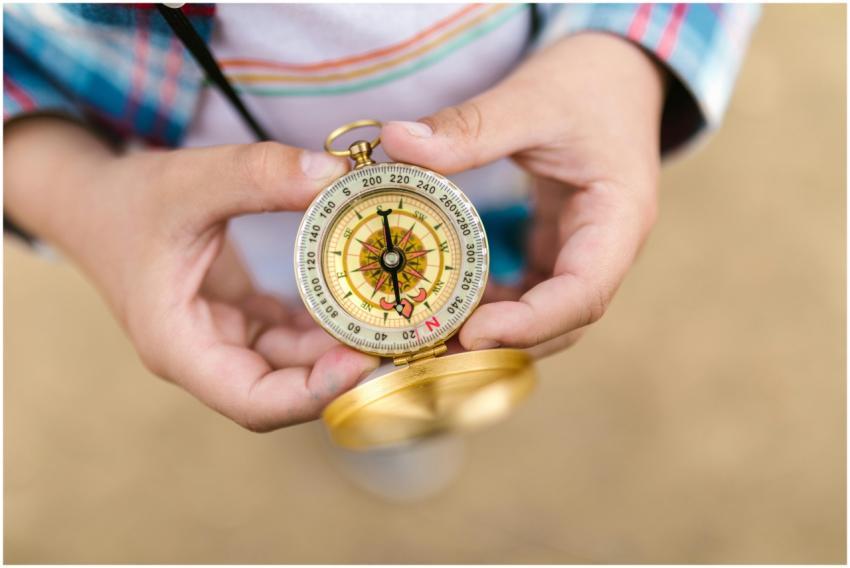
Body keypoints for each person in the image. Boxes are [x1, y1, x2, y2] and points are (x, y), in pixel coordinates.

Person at [4, 4, 759, 433]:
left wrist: (622, 54)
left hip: (533, 154)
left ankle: (407, 375)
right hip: (241, 241)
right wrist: (80, 193)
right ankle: (386, 394)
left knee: (507, 268)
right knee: (318, 340)